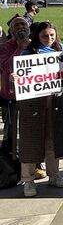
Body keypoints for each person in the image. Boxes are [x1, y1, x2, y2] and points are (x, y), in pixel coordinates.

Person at [16, 22, 63, 197]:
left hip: (54, 104)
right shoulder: (27, 54)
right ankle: (29, 181)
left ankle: (54, 175)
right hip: (33, 106)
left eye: (52, 36)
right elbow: (20, 76)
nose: (49, 39)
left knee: (52, 140)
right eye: (45, 36)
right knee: (31, 143)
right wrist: (15, 77)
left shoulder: (62, 51)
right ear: (37, 36)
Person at [0, 17, 31, 154]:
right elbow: (5, 67)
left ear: (28, 26)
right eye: (16, 25)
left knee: (32, 131)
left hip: (32, 95)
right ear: (11, 30)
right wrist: (20, 49)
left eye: (23, 24)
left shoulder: (35, 45)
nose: (20, 27)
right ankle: (10, 165)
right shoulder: (4, 47)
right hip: (11, 96)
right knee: (11, 132)